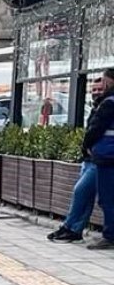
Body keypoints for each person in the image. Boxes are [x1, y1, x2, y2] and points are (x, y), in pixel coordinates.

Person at [48, 75, 107, 242]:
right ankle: (75, 230)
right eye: (93, 90)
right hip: (88, 158)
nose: (96, 93)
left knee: (80, 191)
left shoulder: (107, 107)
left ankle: (69, 226)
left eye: (99, 89)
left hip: (98, 159)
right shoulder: (97, 107)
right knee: (85, 195)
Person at [83, 69, 114, 250]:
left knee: (107, 199)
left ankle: (110, 236)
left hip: (108, 156)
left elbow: (95, 128)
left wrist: (87, 146)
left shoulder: (108, 103)